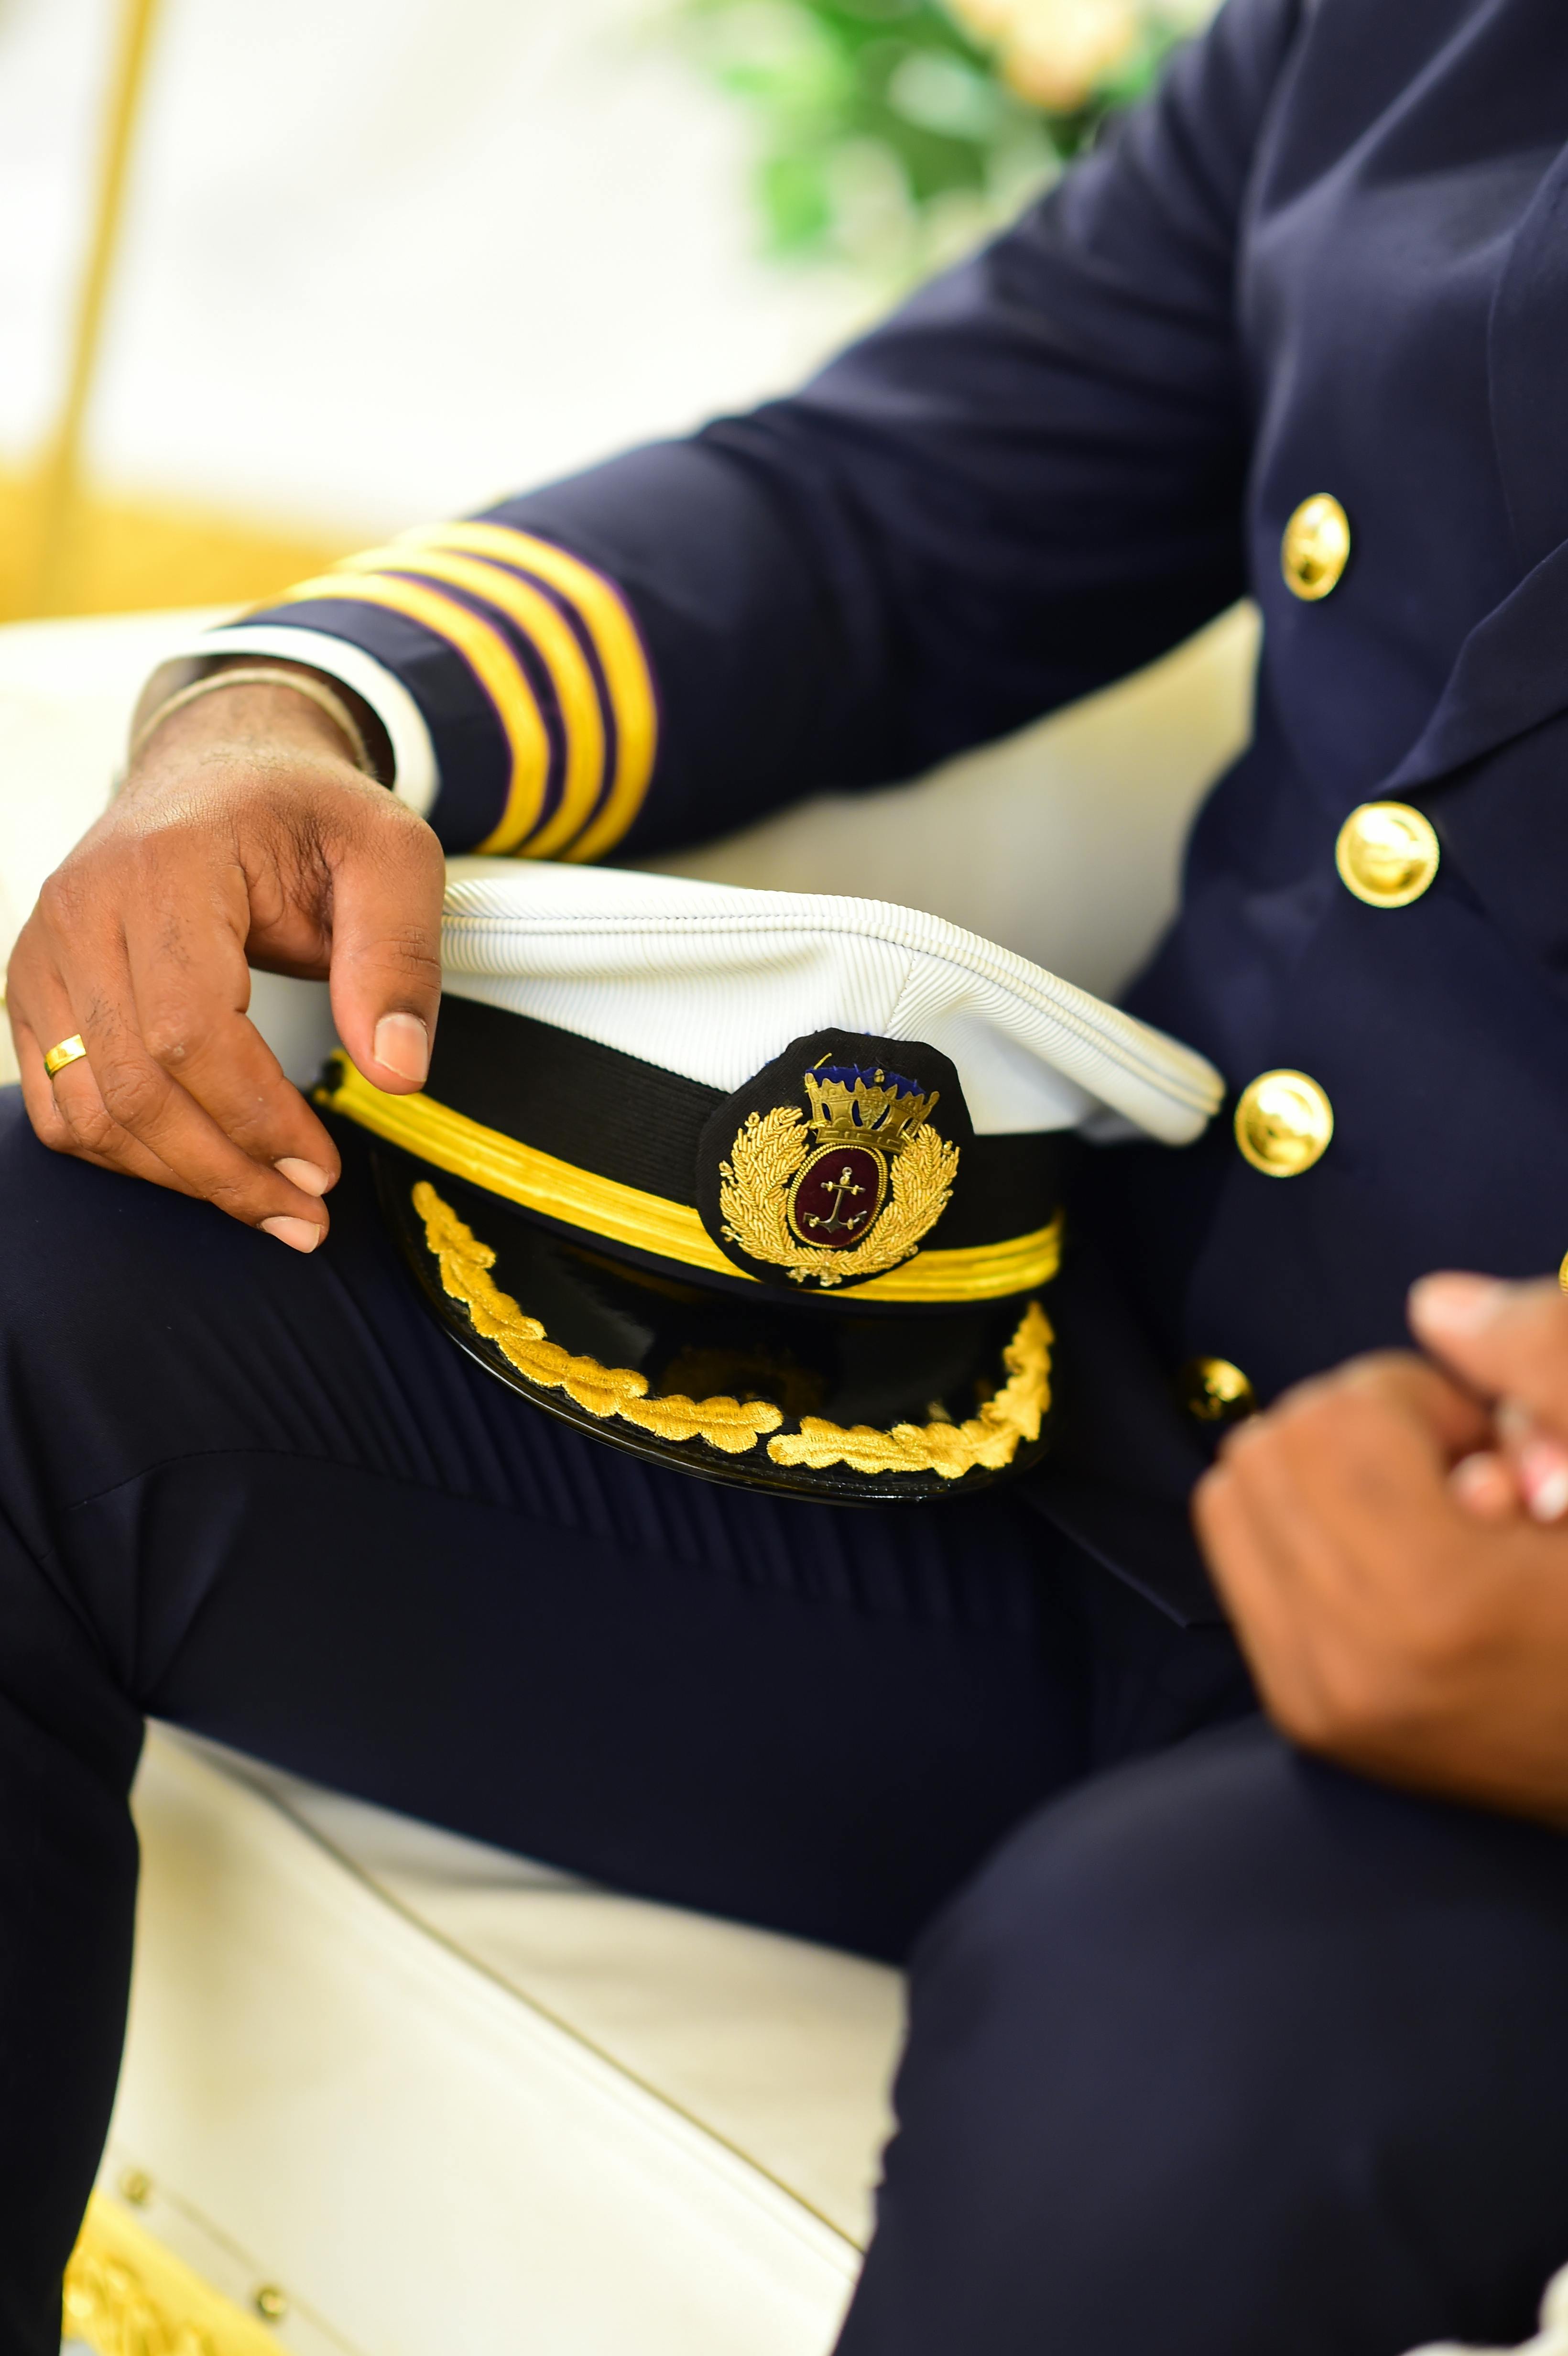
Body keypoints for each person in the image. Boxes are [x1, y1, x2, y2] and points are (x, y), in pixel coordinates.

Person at [8, 0, 1568, 2346]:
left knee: (1148, 2051)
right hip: (1105, 1437)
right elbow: (897, 501)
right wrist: (295, 716)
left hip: (1506, 1732)